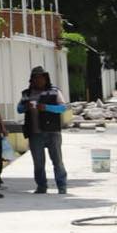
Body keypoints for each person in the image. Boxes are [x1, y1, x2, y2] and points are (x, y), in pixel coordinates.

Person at [19, 66, 69, 195]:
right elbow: (19, 109)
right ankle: (41, 186)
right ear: (32, 80)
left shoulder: (55, 91)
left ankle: (62, 186)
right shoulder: (26, 93)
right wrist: (26, 107)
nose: (38, 80)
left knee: (57, 161)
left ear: (46, 78)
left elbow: (63, 108)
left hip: (52, 131)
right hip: (35, 133)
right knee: (38, 163)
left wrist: (46, 107)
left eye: (41, 77)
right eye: (35, 78)